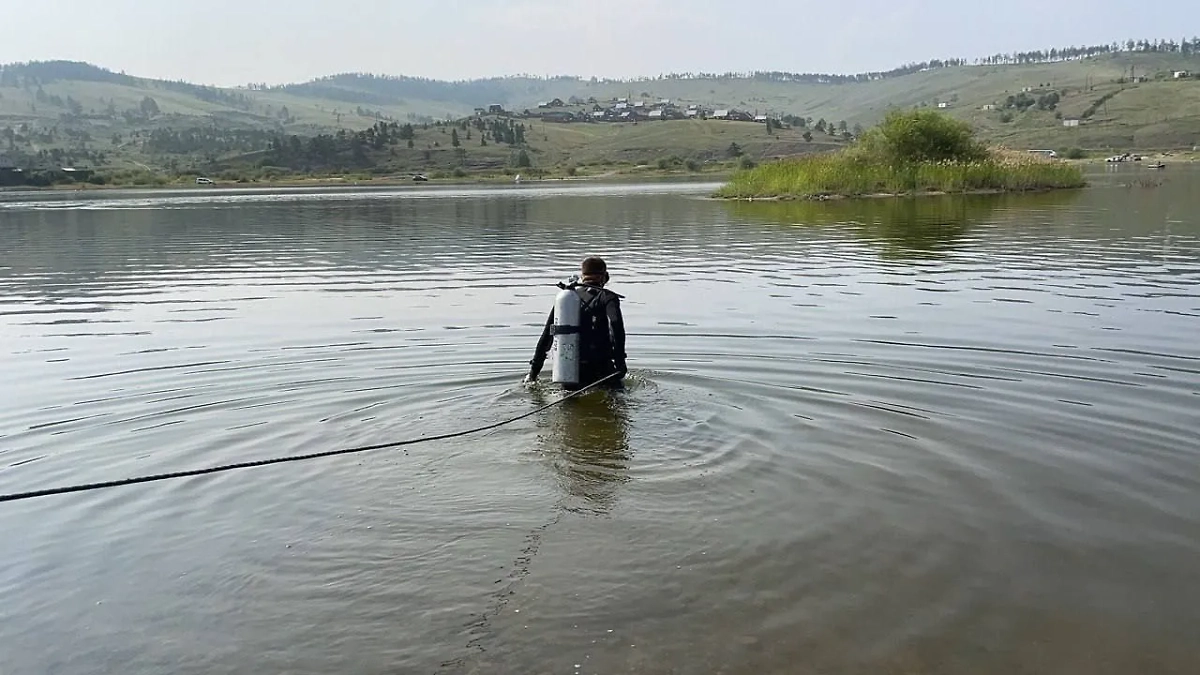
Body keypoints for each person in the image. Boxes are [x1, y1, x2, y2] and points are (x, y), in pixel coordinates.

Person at [525, 256, 627, 388]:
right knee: (618, 397)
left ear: (582, 276)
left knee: (568, 399)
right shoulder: (607, 296)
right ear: (604, 276)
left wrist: (533, 373)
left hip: (569, 368)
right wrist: (620, 362)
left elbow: (547, 335)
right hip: (600, 366)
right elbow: (616, 325)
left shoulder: (567, 298)